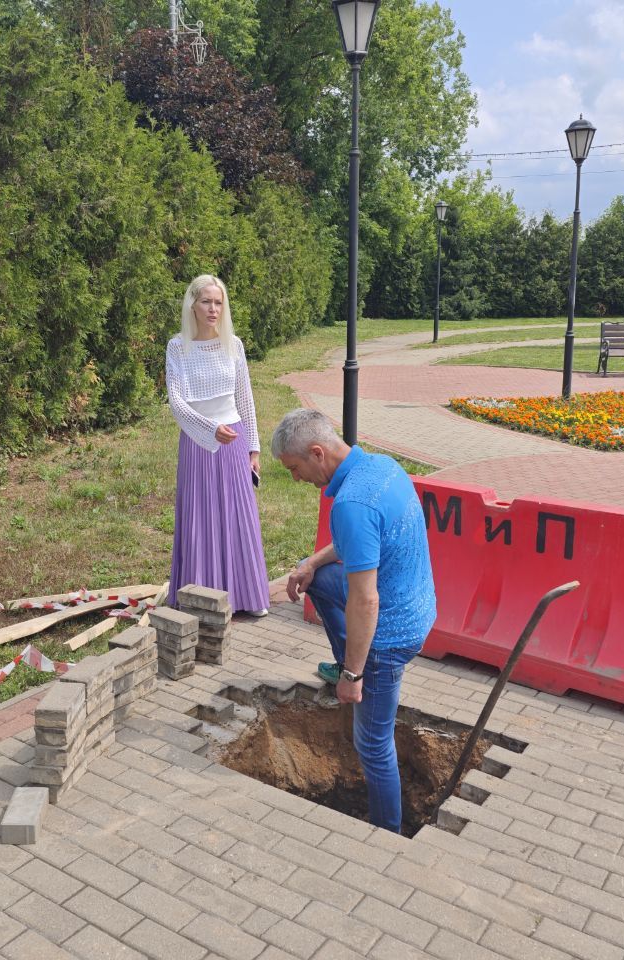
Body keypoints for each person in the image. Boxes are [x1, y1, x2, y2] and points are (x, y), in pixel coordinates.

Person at [273, 408, 436, 833]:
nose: (295, 479)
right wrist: (310, 562)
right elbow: (356, 546)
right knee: (323, 580)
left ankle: (388, 832)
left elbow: (366, 601)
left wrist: (353, 673)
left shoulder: (351, 504)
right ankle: (350, 656)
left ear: (316, 453)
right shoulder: (381, 467)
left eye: (294, 468)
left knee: (373, 744)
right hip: (419, 604)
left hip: (391, 631)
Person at [165, 275, 269, 615]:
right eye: (207, 301)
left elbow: (245, 399)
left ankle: (246, 598)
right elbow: (177, 403)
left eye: (219, 302)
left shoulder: (233, 345)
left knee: (238, 517)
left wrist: (253, 447)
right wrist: (211, 429)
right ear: (192, 305)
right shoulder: (178, 347)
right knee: (199, 518)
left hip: (234, 442)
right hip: (198, 443)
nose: (213, 308)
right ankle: (199, 600)